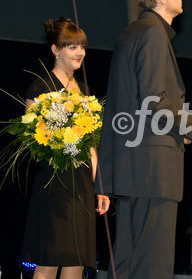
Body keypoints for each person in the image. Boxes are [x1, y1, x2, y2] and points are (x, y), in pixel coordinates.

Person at [97, 0, 192, 279]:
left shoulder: (134, 32)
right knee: (151, 265)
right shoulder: (152, 34)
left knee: (129, 262)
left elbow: (138, 106)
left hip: (137, 166)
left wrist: (182, 131)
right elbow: (154, 102)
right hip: (153, 170)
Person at [21, 18, 110, 279]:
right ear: (55, 50)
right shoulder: (41, 87)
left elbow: (92, 144)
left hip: (82, 186)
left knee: (76, 262)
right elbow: (31, 141)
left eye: (81, 46)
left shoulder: (83, 91)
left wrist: (99, 188)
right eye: (71, 46)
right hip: (55, 185)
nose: (79, 52)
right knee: (50, 260)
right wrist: (62, 143)